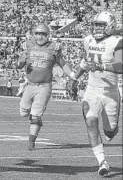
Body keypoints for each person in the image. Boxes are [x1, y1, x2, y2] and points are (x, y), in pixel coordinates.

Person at [66, 11, 122, 177]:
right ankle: (102, 161)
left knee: (110, 132)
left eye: (101, 25)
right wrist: (74, 78)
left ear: (110, 26)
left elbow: (121, 66)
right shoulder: (88, 40)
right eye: (96, 24)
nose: (97, 28)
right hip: (92, 89)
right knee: (90, 120)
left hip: (110, 91)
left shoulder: (117, 41)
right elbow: (85, 61)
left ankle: (111, 129)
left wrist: (102, 67)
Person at [17, 22, 76, 151]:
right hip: (29, 85)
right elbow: (19, 65)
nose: (40, 36)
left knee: (36, 115)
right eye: (37, 33)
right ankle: (35, 120)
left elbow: (62, 63)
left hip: (44, 86)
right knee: (23, 112)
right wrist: (20, 61)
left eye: (43, 34)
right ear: (34, 34)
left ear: (47, 35)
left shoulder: (54, 48)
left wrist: (72, 74)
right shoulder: (27, 46)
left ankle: (31, 141)